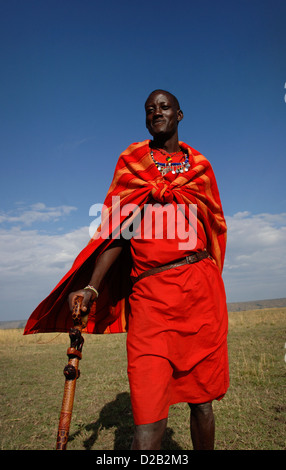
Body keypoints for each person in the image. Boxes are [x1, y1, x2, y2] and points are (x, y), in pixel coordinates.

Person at [24, 90, 229, 450]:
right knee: (148, 423)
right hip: (150, 299)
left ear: (180, 115)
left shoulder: (200, 167)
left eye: (164, 107)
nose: (156, 113)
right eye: (150, 109)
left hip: (200, 294)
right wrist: (92, 287)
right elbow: (118, 231)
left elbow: (214, 225)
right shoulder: (132, 161)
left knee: (202, 403)